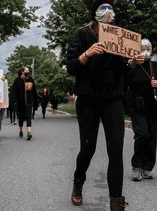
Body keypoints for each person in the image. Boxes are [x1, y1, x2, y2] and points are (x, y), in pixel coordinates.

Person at [66, 0, 144, 210]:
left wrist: (132, 64)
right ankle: (78, 182)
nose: (108, 12)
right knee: (88, 149)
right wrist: (86, 55)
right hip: (88, 100)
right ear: (94, 13)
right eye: (103, 8)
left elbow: (123, 72)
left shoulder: (118, 38)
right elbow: (70, 66)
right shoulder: (82, 35)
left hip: (113, 99)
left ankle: (116, 203)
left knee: (116, 151)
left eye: (111, 8)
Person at [124, 38, 157, 181]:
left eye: (147, 49)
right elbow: (123, 86)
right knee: (142, 134)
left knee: (152, 137)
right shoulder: (132, 66)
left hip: (153, 105)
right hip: (136, 105)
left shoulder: (155, 65)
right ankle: (136, 166)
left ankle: (147, 168)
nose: (145, 51)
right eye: (142, 49)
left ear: (151, 50)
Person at [11, 66, 38, 140]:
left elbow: (34, 91)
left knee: (29, 117)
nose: (27, 72)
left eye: (28, 71)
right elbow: (13, 92)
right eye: (26, 70)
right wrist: (14, 103)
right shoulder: (17, 81)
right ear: (22, 72)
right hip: (20, 103)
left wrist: (36, 102)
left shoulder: (30, 80)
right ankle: (21, 130)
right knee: (21, 117)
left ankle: (29, 133)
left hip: (29, 102)